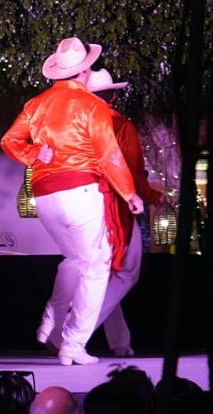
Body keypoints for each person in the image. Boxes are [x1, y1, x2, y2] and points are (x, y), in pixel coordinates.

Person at [0, 37, 143, 366]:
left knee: (76, 260)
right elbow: (109, 156)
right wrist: (129, 192)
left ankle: (51, 323)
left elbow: (8, 140)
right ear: (86, 70)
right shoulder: (92, 105)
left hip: (46, 197)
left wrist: (34, 152)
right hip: (80, 191)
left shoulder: (36, 104)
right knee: (97, 265)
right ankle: (72, 343)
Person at [37, 69, 165, 356]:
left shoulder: (72, 122)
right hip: (114, 202)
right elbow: (130, 172)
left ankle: (119, 341)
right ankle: (70, 332)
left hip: (81, 198)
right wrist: (153, 196)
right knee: (125, 272)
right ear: (114, 95)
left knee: (99, 271)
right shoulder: (119, 124)